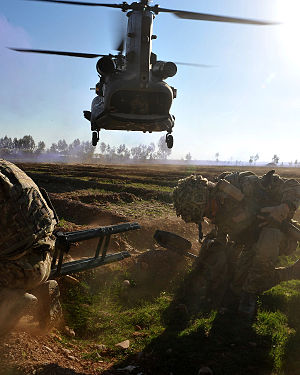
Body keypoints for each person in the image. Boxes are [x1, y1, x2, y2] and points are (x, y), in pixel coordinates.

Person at [173, 170, 300, 319]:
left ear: (207, 197)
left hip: (280, 237)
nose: (208, 217)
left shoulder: (245, 185)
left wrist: (284, 208)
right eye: (203, 216)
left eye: (206, 212)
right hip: (251, 243)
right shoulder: (217, 209)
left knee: (268, 238)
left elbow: (293, 185)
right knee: (237, 286)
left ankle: (250, 294)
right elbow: (223, 237)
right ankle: (292, 272)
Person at [0, 159, 61, 335]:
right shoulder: (7, 168)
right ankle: (41, 292)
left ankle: (11, 301)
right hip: (46, 259)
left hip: (15, 271)